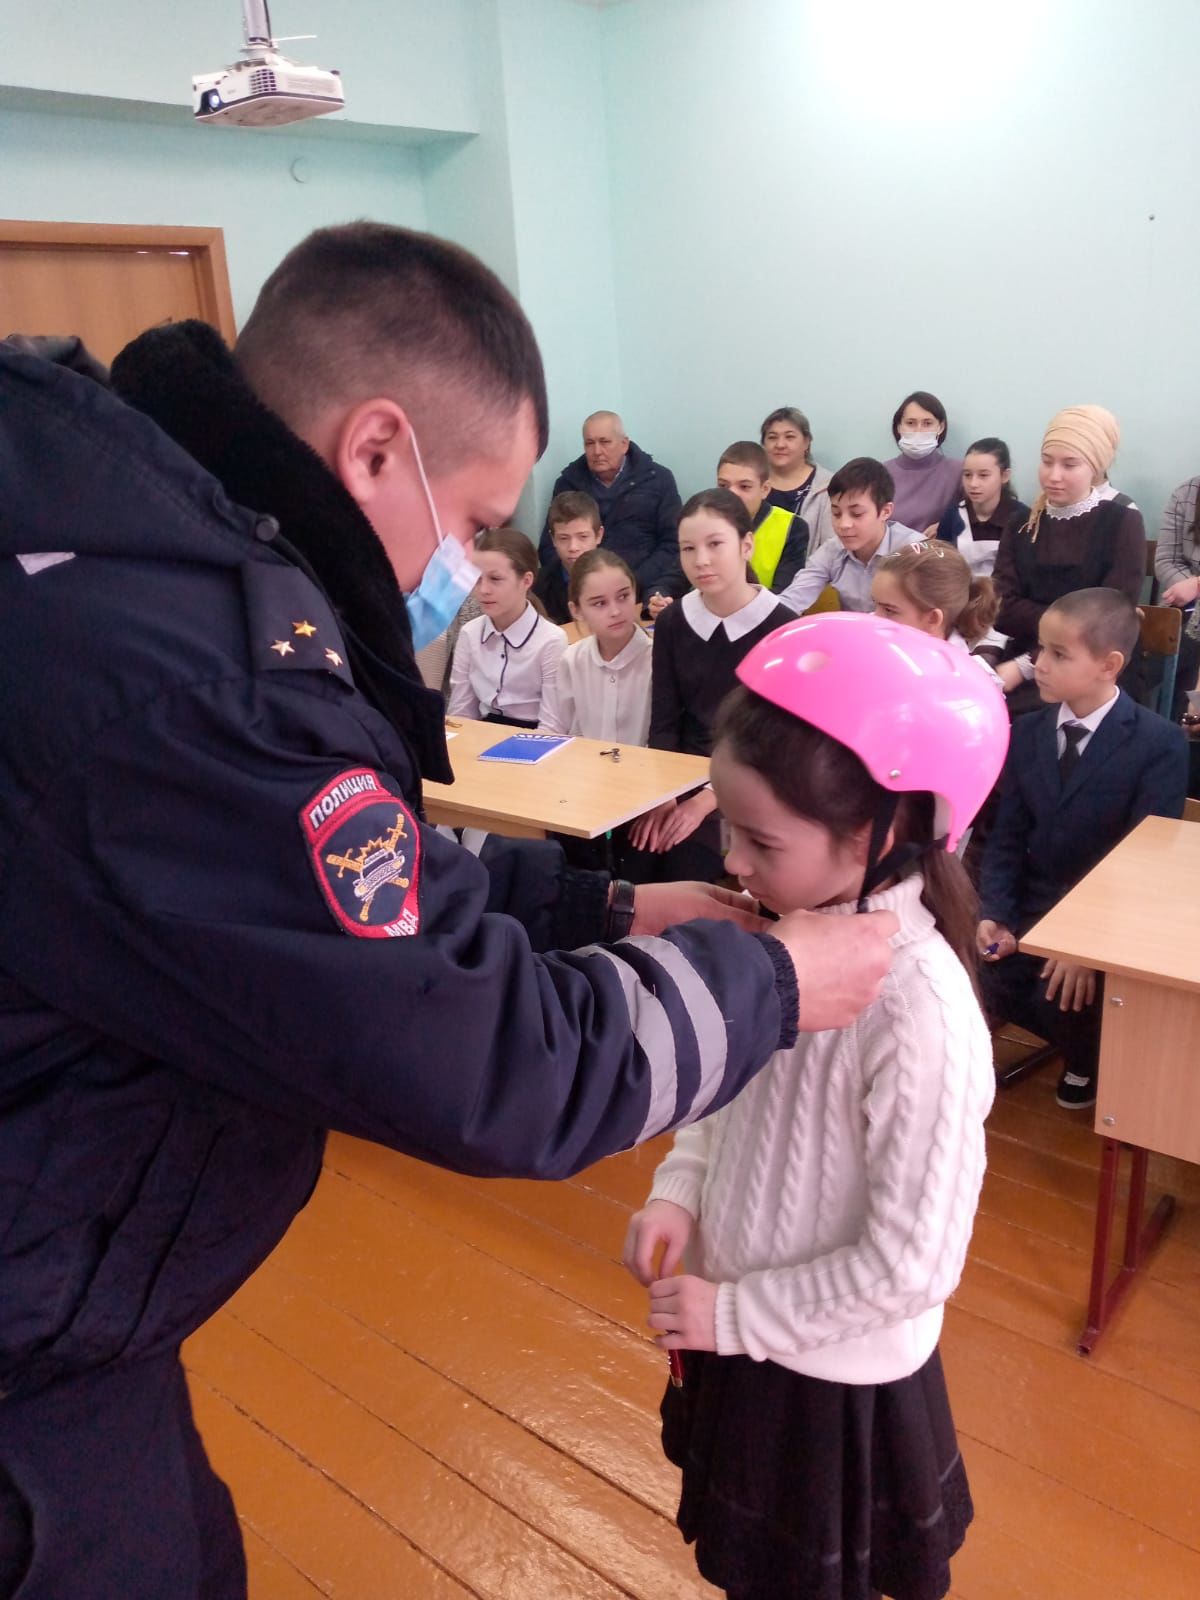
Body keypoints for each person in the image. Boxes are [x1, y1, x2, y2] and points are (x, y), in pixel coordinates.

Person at [0, 224, 901, 1600]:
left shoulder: (122, 548)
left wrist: (609, 906)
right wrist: (770, 985)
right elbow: (487, 1055)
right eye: (477, 523)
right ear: (374, 451)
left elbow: (374, 886)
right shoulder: (201, 679)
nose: (470, 559)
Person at [624, 611, 1011, 1600]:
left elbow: (911, 1264)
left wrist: (737, 1310)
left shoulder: (920, 1010)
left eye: (761, 839)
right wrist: (680, 1188)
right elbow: (726, 1087)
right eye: (725, 822)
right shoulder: (784, 924)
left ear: (881, 833)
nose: (734, 862)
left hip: (827, 1374)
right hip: (745, 1330)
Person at [978, 589, 1187, 1109]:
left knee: (1067, 993)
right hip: (1031, 907)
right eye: (1040, 651)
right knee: (974, 963)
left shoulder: (1158, 743)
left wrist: (1083, 944)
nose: (1038, 665)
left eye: (1057, 654)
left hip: (1106, 919)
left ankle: (1086, 1058)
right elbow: (1006, 837)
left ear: (1109, 666)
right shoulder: (1027, 731)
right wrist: (995, 914)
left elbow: (1144, 861)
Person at [628, 489, 794, 884]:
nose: (700, 560)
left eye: (715, 544)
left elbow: (775, 744)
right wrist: (662, 796)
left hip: (751, 780)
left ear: (746, 545)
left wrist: (704, 802)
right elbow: (664, 721)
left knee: (684, 866)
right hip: (679, 777)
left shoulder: (783, 628)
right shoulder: (672, 622)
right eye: (688, 548)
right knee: (630, 856)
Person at [992, 406, 1145, 713]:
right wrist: (1066, 624)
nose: (1053, 476)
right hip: (1021, 661)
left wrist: (1027, 665)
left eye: (1070, 465)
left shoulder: (1121, 522)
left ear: (1095, 468)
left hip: (1092, 672)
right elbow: (1002, 607)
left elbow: (1107, 620)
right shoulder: (1022, 522)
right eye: (1046, 462)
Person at [538, 411, 683, 609]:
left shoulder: (658, 479)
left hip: (644, 592)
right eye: (589, 443)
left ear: (624, 444)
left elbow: (673, 544)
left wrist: (631, 582)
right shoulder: (568, 483)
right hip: (580, 598)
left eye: (604, 442)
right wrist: (577, 585)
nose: (597, 451)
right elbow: (550, 546)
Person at [447, 527, 565, 726]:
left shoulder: (551, 640)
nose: (483, 590)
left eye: (495, 579)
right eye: (476, 578)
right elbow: (460, 715)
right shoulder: (470, 633)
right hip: (480, 734)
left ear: (526, 580)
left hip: (533, 739)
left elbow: (552, 727)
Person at [777, 457, 924, 616]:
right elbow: (793, 599)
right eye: (836, 513)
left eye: (856, 514)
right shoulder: (832, 551)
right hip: (853, 636)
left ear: (885, 512)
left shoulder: (915, 551)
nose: (843, 524)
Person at [540, 548, 652, 744]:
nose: (615, 611)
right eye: (600, 603)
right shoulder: (572, 658)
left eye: (623, 596)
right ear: (577, 610)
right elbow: (553, 725)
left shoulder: (656, 659)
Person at [872, 540, 1009, 685]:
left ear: (933, 619)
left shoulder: (970, 683)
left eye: (888, 610)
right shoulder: (876, 649)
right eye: (875, 604)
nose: (874, 618)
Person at [716, 439, 809, 592]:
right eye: (723, 486)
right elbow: (678, 575)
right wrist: (664, 595)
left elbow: (785, 596)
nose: (731, 494)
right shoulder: (706, 521)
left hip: (765, 612)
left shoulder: (793, 527)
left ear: (765, 489)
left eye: (744, 486)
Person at [934, 437, 1030, 578]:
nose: (973, 483)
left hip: (1007, 597)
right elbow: (940, 564)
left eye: (983, 475)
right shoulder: (953, 515)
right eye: (967, 475)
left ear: (1004, 476)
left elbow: (1027, 573)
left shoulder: (1022, 518)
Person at [884, 390, 963, 534]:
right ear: (899, 427)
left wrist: (945, 526)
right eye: (910, 423)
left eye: (927, 423)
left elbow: (976, 517)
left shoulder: (959, 472)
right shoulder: (880, 473)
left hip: (937, 553)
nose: (918, 430)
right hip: (890, 555)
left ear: (941, 427)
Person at [1155, 473, 1200, 719]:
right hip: (1185, 609)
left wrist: (1198, 585)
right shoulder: (1187, 493)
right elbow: (1165, 561)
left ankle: (1189, 717)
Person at [760, 406, 835, 551]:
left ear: (806, 442)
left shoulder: (827, 487)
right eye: (772, 437)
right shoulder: (753, 484)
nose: (780, 445)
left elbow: (832, 548)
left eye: (789, 437)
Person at [531, 489, 602, 624]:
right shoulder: (538, 587)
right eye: (563, 538)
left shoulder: (618, 576)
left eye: (583, 537)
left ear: (599, 535)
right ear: (553, 539)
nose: (573, 547)